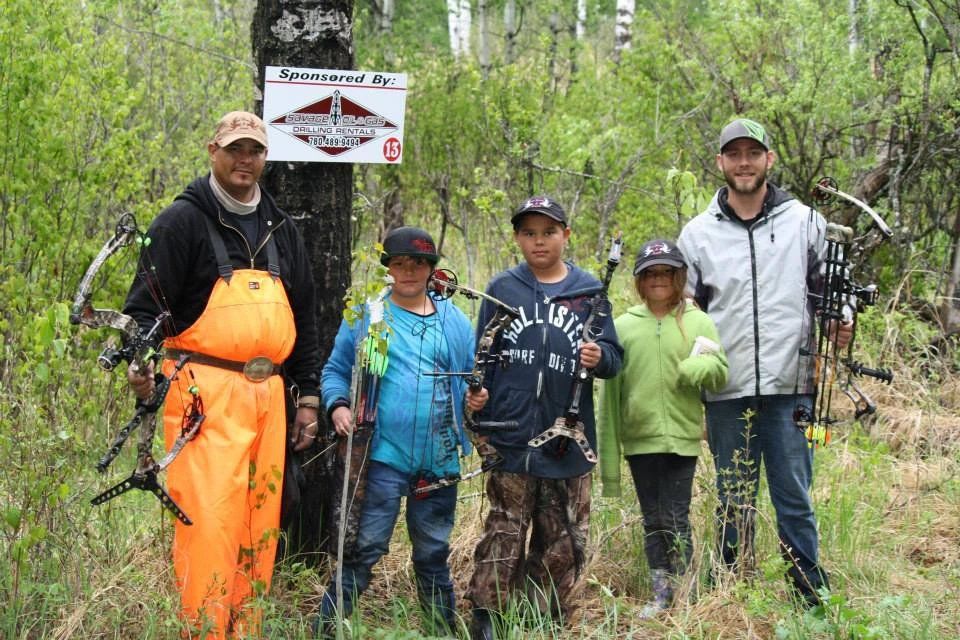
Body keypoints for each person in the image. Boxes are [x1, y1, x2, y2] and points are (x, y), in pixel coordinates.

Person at [124, 111, 322, 639]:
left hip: (269, 396)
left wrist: (309, 399)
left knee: (259, 527)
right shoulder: (179, 222)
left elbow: (304, 319)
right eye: (235, 148)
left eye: (254, 150)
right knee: (211, 525)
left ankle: (245, 631)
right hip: (202, 394)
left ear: (265, 158)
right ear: (213, 150)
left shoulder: (282, 228)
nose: (245, 159)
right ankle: (202, 632)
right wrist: (140, 367)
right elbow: (142, 313)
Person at [676, 117, 851, 605]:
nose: (744, 162)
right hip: (726, 392)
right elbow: (683, 313)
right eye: (734, 154)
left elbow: (832, 290)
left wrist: (842, 320)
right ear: (721, 163)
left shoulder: (805, 222)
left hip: (792, 386)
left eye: (754, 153)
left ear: (769, 159)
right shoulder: (696, 234)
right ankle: (733, 597)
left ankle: (809, 597)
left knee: (794, 496)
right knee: (733, 500)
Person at [313, 226, 486, 638]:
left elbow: (471, 381)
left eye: (420, 263)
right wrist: (337, 406)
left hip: (439, 456)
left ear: (432, 269)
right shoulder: (367, 316)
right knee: (362, 549)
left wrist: (475, 401)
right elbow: (335, 371)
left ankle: (440, 629)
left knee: (432, 552)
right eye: (400, 263)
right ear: (388, 268)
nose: (410, 271)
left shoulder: (455, 321)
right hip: (380, 457)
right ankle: (326, 629)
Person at [466, 196, 623, 639]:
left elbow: (613, 358)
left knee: (562, 540)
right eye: (530, 233)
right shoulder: (503, 289)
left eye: (549, 232)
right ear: (517, 237)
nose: (539, 241)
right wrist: (478, 396)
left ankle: (543, 620)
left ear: (565, 235)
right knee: (503, 531)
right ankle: (488, 617)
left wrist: (600, 356)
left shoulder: (590, 291)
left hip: (568, 440)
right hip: (511, 435)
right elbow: (485, 358)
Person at [597, 238, 728, 618]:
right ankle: (661, 594)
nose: (658, 280)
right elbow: (610, 395)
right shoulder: (622, 326)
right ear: (639, 280)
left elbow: (720, 373)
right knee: (653, 519)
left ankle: (684, 591)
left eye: (666, 273)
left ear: (679, 277)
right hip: (639, 439)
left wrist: (698, 370)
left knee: (676, 517)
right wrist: (610, 450)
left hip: (682, 439)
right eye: (650, 273)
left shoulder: (698, 321)